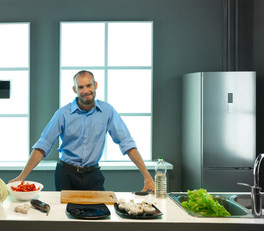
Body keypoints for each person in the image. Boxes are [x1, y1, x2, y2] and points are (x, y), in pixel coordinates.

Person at [9, 70, 155, 191]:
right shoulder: (62, 114)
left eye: (88, 85)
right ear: (75, 89)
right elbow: (43, 145)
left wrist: (147, 176)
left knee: (99, 218)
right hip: (66, 175)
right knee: (65, 219)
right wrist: (22, 177)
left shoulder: (107, 111)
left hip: (93, 175)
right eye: (80, 87)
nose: (85, 91)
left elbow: (126, 142)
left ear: (95, 85)